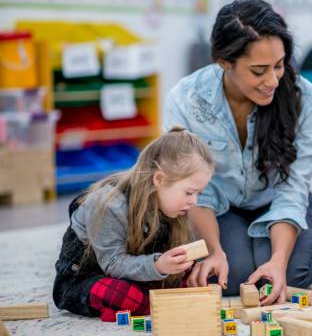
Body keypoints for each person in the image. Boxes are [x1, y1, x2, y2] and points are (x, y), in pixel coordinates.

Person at [163, 0, 312, 304]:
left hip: (278, 201)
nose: (272, 81)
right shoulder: (186, 99)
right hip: (220, 207)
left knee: (286, 276)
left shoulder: (307, 100)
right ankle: (285, 251)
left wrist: (278, 261)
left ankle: (296, 253)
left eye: (279, 66)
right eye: (258, 71)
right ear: (224, 63)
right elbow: (196, 191)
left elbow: (293, 189)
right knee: (228, 277)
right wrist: (214, 250)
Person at [52, 127, 214, 321]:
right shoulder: (109, 204)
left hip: (132, 271)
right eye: (189, 193)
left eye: (199, 193)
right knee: (129, 297)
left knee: (193, 277)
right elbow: (113, 263)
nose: (194, 201)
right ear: (159, 179)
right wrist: (159, 266)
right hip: (85, 278)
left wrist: (181, 264)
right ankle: (142, 299)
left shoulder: (172, 205)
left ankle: (148, 296)